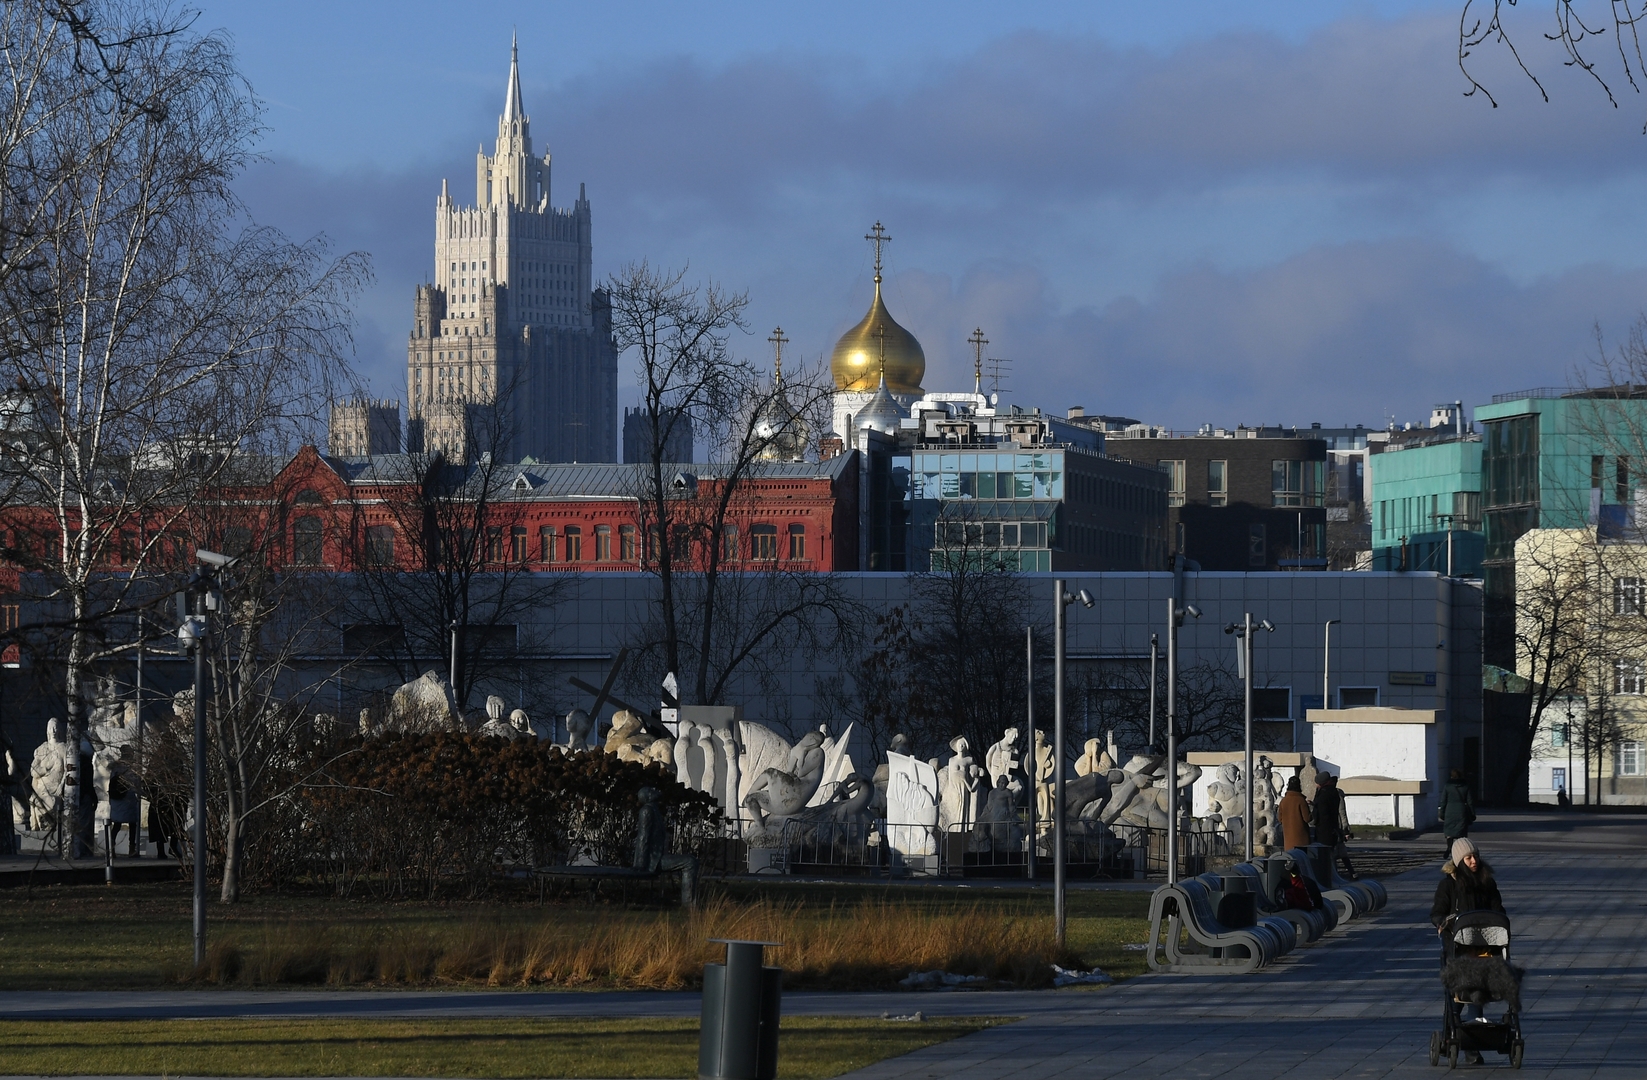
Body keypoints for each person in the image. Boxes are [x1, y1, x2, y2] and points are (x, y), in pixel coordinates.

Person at [1430, 837, 1506, 1063]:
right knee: (1458, 993)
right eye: (1468, 858)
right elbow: (1436, 912)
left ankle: (1471, 1037)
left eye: (1475, 856)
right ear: (1459, 860)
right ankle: (1457, 1037)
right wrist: (1443, 923)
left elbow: (1498, 908)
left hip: (1484, 944)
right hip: (1457, 945)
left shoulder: (1487, 882)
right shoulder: (1448, 884)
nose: (1474, 861)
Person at [1312, 773, 1357, 879]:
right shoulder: (1330, 793)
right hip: (1336, 827)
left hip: (1337, 827)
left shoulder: (1334, 794)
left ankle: (1344, 873)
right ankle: (1350, 872)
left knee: (1339, 852)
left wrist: (1346, 830)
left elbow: (1342, 813)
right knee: (1340, 852)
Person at [1437, 768, 1475, 857]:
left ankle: (1449, 847)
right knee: (1461, 833)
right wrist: (1472, 813)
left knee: (1449, 832)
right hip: (1461, 811)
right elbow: (1470, 801)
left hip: (1449, 811)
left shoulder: (1447, 786)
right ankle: (1461, 850)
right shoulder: (1465, 786)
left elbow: (1443, 801)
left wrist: (1441, 813)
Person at [1277, 775, 1312, 851]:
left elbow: (1280, 819)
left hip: (1288, 840)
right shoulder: (1301, 800)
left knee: (1290, 859)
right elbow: (1307, 818)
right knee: (1302, 859)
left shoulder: (1283, 801)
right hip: (1302, 839)